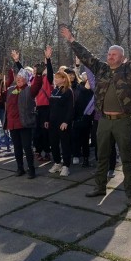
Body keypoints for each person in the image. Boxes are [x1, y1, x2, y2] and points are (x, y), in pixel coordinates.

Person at [61, 21, 131, 205]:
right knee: (102, 156)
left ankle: (130, 193)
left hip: (122, 121)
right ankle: (100, 187)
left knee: (126, 157)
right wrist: (71, 40)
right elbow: (86, 56)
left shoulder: (129, 70)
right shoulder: (101, 69)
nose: (109, 56)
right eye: (109, 54)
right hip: (104, 120)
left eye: (113, 54)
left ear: (121, 57)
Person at [6, 59, 43, 178]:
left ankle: (31, 169)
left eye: (22, 78)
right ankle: (20, 168)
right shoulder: (11, 90)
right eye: (18, 78)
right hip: (12, 124)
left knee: (27, 147)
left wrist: (38, 74)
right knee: (17, 148)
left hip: (24, 123)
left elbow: (37, 85)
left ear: (26, 80)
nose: (19, 80)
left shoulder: (29, 90)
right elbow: (1, 98)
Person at [45, 47, 75, 176]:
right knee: (54, 144)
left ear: (64, 79)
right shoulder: (54, 90)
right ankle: (57, 163)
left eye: (58, 78)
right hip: (52, 122)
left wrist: (66, 122)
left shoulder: (68, 91)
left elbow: (70, 108)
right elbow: (50, 106)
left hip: (63, 123)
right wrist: (47, 119)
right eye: (55, 78)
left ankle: (66, 166)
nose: (55, 79)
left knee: (65, 144)